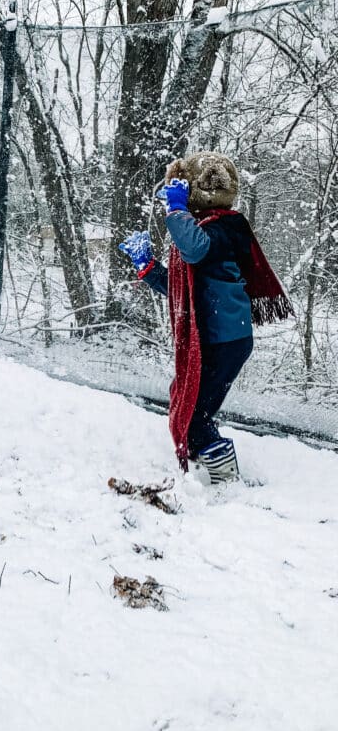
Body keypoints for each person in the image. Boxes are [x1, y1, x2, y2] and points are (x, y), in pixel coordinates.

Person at [119, 152, 293, 484]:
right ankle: (205, 459)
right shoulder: (206, 231)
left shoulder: (225, 226)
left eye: (182, 190)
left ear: (198, 191)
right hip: (218, 338)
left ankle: (225, 482)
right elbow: (184, 291)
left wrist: (175, 209)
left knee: (195, 414)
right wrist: (148, 268)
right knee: (185, 400)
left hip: (225, 341)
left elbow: (195, 248)